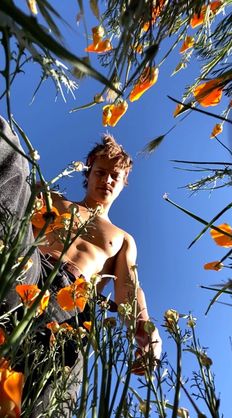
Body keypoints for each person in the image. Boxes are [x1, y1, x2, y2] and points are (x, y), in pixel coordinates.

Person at [0, 115, 162, 416]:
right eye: (101, 172)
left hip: (72, 311)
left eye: (115, 175)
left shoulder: (121, 239)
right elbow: (13, 207)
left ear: (124, 183)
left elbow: (129, 289)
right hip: (31, 271)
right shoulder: (54, 201)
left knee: (47, 403)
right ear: (88, 175)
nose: (107, 180)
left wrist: (145, 328)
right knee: (12, 156)